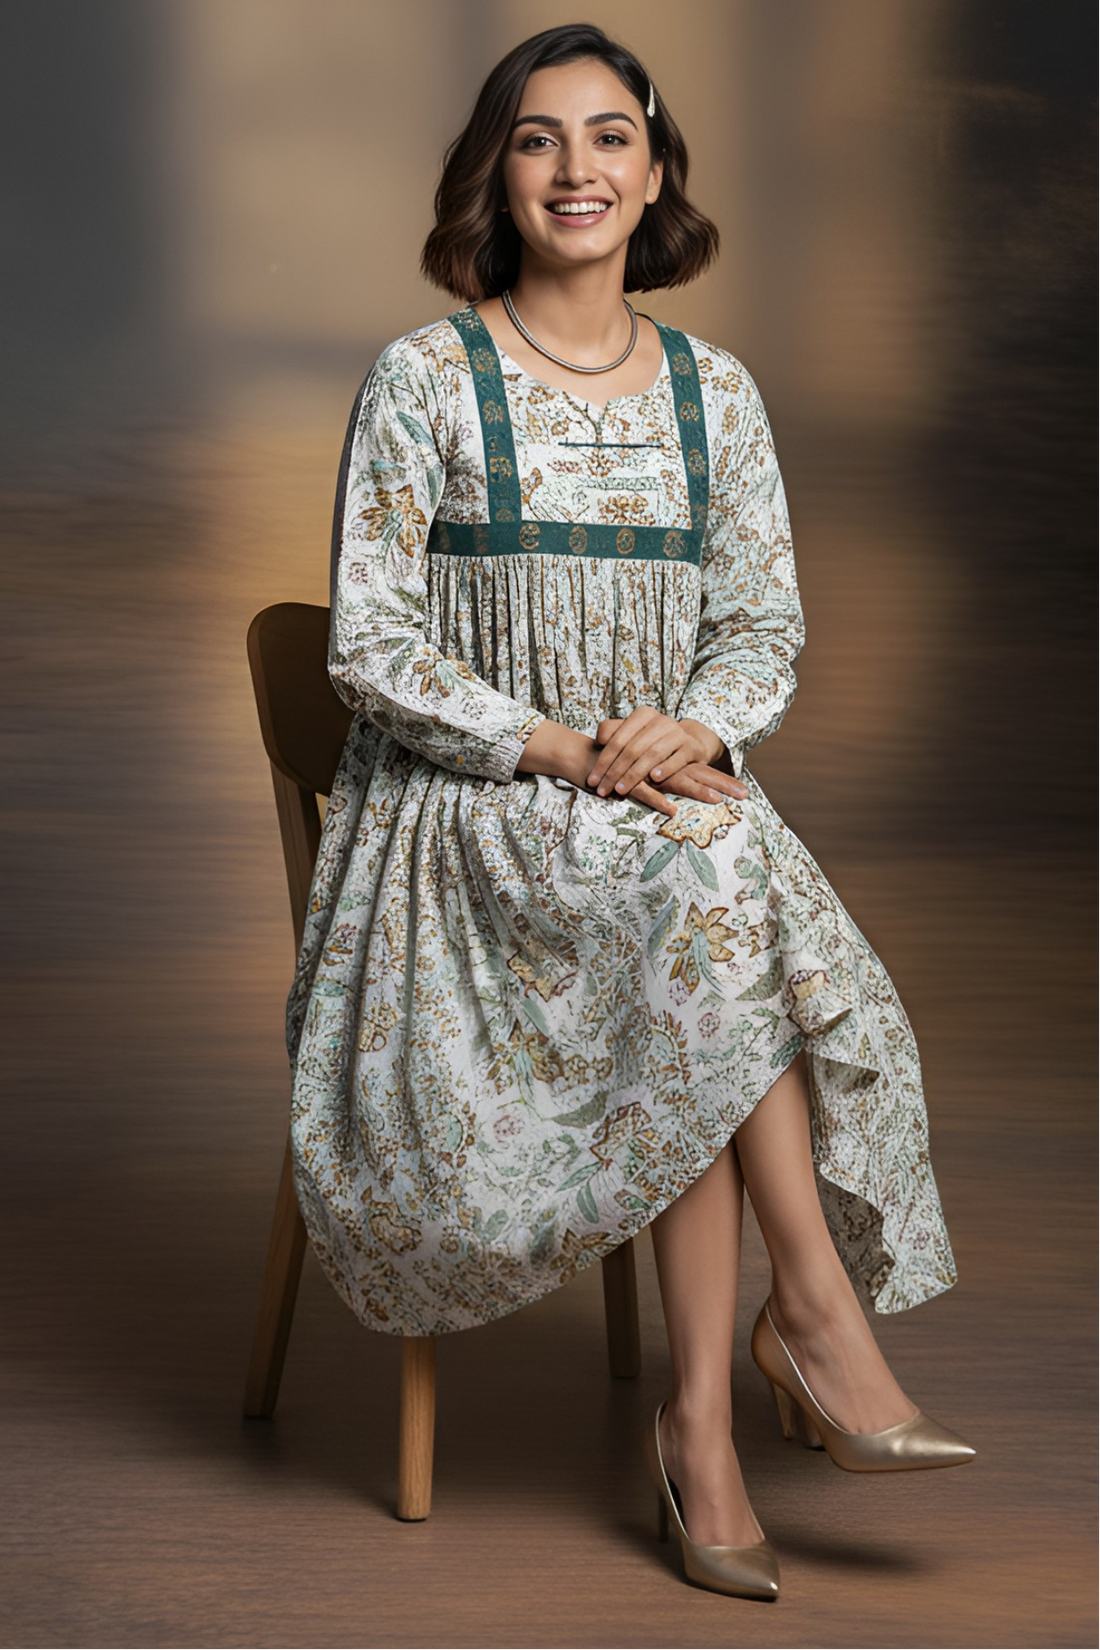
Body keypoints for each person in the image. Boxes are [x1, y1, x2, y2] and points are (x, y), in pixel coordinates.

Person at [285, 22, 974, 1602]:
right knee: (720, 890)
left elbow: (762, 624)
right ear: (496, 172)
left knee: (704, 872)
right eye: (539, 138)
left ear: (657, 171)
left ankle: (708, 1425)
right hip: (471, 812)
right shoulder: (422, 378)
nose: (576, 169)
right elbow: (369, 641)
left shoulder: (717, 394)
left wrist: (695, 721)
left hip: (663, 799)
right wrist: (550, 743)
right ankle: (801, 1325)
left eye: (611, 136)